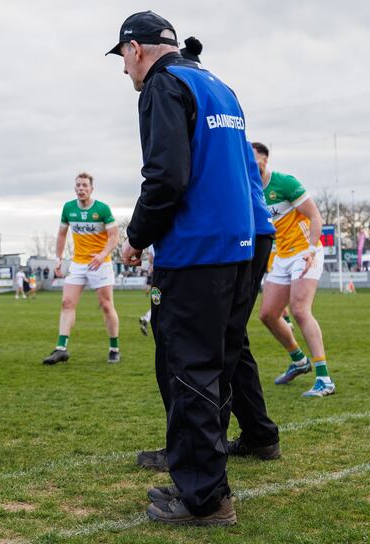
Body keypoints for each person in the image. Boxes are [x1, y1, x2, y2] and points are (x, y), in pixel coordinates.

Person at [110, 11, 254, 525]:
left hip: (196, 252)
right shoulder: (216, 82)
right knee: (214, 371)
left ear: (135, 49)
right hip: (239, 248)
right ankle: (204, 482)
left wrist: (134, 237)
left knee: (189, 372)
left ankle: (206, 499)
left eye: (123, 59)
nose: (125, 71)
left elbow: (166, 176)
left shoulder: (162, 84)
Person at [137, 141, 281, 474]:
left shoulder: (183, 107)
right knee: (231, 339)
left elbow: (171, 180)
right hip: (250, 230)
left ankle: (188, 447)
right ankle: (259, 433)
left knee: (179, 338)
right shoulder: (225, 121)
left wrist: (141, 233)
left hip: (218, 235)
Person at [252, 142, 336, 398]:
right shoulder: (250, 190)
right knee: (268, 314)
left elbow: (315, 216)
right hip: (282, 255)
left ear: (264, 160)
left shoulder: (284, 182)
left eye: (252, 158)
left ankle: (325, 379)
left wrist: (311, 249)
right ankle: (299, 360)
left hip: (305, 252)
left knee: (300, 310)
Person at [42, 172, 120, 365]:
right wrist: (58, 259)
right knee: (67, 303)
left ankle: (114, 348)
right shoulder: (68, 208)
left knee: (106, 305)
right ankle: (61, 349)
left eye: (85, 185)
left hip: (100, 263)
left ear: (91, 189)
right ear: (74, 188)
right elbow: (61, 235)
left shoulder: (102, 209)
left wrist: (102, 255)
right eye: (78, 185)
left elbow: (114, 236)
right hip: (78, 263)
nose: (81, 189)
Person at [139, 246, 155, 336]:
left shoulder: (152, 243)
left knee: (158, 302)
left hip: (157, 273)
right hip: (167, 272)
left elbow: (150, 258)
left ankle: (146, 318)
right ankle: (146, 318)